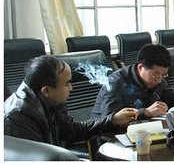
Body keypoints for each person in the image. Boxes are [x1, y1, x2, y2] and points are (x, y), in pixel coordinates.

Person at [4, 55, 138, 147]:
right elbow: (38, 157)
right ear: (46, 90)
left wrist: (113, 120)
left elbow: (72, 131)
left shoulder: (52, 99)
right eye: (67, 84)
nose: (71, 88)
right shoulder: (18, 117)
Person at [91, 44, 174, 120]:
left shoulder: (158, 79)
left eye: (163, 75)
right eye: (155, 74)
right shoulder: (115, 82)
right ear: (140, 67)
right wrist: (145, 112)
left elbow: (172, 97)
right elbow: (111, 119)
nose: (159, 80)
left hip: (142, 130)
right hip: (109, 138)